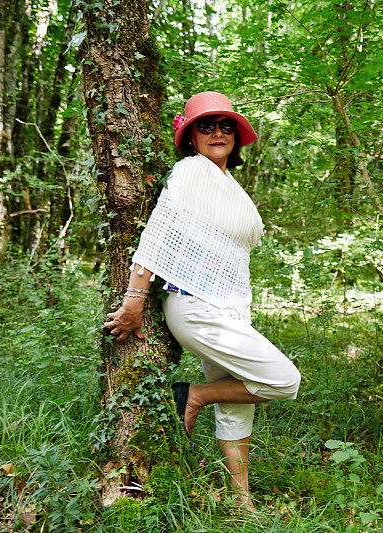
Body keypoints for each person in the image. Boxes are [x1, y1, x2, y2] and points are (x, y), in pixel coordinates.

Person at [103, 91, 301, 513]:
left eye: (226, 125)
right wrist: (135, 300)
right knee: (284, 380)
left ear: (237, 136)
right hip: (195, 306)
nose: (217, 132)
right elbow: (159, 233)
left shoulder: (226, 184)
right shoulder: (192, 172)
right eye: (205, 125)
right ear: (190, 137)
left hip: (228, 308)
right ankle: (192, 395)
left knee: (236, 406)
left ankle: (240, 502)